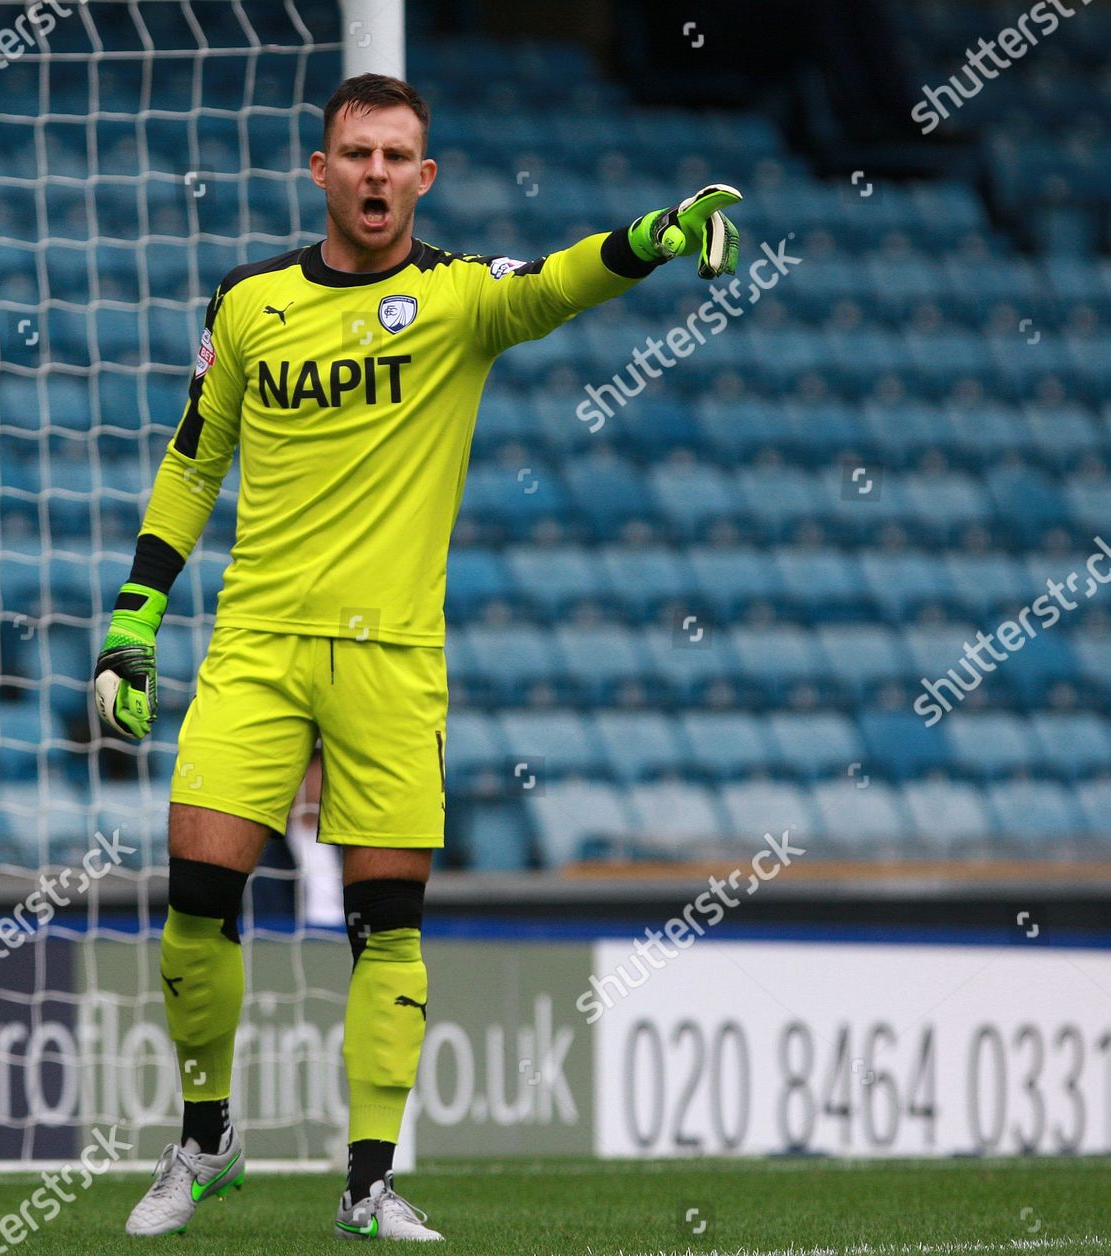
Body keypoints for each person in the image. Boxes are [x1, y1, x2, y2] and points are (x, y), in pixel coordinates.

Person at [94, 73, 741, 1241]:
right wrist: (136, 615)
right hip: (255, 644)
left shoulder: (455, 299)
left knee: (386, 925)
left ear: (423, 176)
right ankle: (205, 1141)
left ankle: (367, 1181)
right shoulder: (248, 302)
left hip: (392, 660)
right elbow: (194, 461)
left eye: (398, 156)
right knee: (196, 898)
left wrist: (654, 235)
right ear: (322, 171)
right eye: (357, 153)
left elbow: (556, 281)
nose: (378, 173)